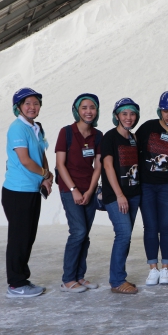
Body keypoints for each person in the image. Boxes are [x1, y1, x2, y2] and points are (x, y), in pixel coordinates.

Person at [2, 88, 53, 298]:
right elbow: (25, 160)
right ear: (18, 107)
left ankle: (22, 279)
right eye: (27, 104)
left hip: (31, 190)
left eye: (36, 103)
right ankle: (15, 284)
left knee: (27, 237)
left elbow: (41, 153)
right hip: (17, 192)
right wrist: (44, 173)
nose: (32, 107)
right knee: (18, 238)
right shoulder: (17, 129)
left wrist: (47, 177)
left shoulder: (36, 127)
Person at [136, 91, 168, 286]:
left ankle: (166, 268)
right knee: (150, 226)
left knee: (166, 226)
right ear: (160, 111)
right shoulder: (147, 128)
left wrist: (165, 169)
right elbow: (134, 150)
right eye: (166, 111)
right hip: (146, 185)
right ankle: (153, 269)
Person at [55, 93, 103, 293]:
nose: (88, 111)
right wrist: (74, 190)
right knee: (78, 232)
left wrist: (91, 190)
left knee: (85, 235)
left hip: (89, 188)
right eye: (84, 107)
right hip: (69, 189)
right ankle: (67, 279)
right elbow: (60, 164)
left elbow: (98, 166)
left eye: (92, 107)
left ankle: (79, 276)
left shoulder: (98, 135)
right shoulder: (66, 132)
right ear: (77, 110)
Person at [102, 98, 142, 294]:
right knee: (124, 234)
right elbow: (108, 166)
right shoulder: (109, 137)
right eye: (124, 113)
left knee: (125, 237)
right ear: (117, 115)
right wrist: (119, 194)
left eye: (132, 114)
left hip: (134, 195)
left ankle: (120, 276)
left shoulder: (133, 138)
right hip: (117, 196)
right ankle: (117, 280)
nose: (128, 117)